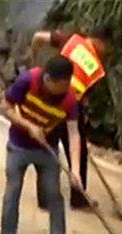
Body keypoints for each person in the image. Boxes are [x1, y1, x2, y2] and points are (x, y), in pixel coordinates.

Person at [0, 55, 82, 234]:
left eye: (67, 85)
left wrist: (76, 170)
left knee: (54, 195)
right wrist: (28, 125)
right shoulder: (28, 81)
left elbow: (74, 134)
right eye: (61, 86)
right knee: (13, 189)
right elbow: (6, 107)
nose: (64, 90)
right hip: (18, 146)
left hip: (48, 149)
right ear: (48, 80)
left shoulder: (70, 99)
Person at [31, 25, 111, 210]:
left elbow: (38, 37)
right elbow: (83, 95)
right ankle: (78, 198)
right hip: (69, 107)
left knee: (48, 148)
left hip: (50, 101)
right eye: (107, 47)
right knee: (78, 151)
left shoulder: (71, 40)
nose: (106, 53)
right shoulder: (96, 67)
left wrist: (34, 62)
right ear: (101, 42)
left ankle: (46, 198)